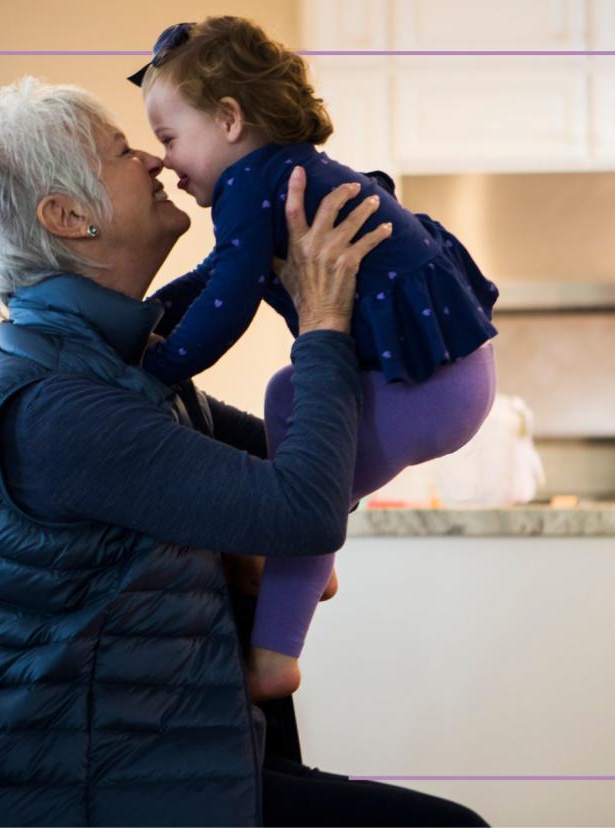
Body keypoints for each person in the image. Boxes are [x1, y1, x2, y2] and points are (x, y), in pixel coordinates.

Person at [0, 76, 488, 827]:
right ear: (68, 217)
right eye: (124, 152)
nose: (156, 164)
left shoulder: (122, 368)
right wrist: (323, 321)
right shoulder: (59, 402)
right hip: (82, 799)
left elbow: (310, 475)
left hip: (158, 772)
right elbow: (306, 511)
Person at [128, 16, 501, 700]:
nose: (167, 163)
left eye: (170, 139)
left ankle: (275, 654)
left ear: (230, 120)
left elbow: (232, 296)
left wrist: (165, 362)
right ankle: (306, 561)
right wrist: (147, 319)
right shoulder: (279, 173)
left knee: (302, 468)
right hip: (451, 377)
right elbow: (218, 273)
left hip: (428, 384)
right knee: (288, 395)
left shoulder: (250, 186)